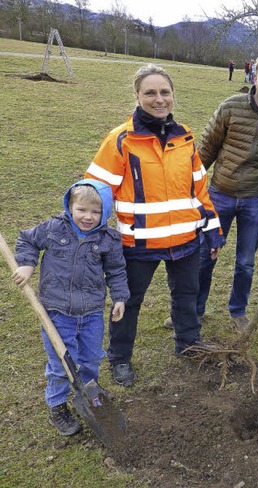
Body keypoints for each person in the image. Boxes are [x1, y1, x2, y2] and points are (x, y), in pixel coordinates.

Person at [85, 64, 225, 387]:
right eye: (150, 92)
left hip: (186, 241)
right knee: (129, 301)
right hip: (138, 245)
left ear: (173, 96)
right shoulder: (121, 140)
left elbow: (199, 190)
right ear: (137, 95)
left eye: (164, 92)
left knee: (187, 295)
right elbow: (95, 191)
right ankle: (119, 358)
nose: (158, 99)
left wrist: (213, 229)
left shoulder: (186, 138)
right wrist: (88, 233)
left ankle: (188, 343)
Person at [11, 180, 130, 436]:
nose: (88, 217)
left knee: (90, 357)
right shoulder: (54, 228)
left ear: (105, 213)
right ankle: (57, 406)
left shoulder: (108, 239)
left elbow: (117, 271)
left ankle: (90, 392)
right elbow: (27, 241)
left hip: (92, 313)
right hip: (57, 312)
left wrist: (120, 297)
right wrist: (27, 265)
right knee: (61, 364)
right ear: (70, 207)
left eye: (95, 212)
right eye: (82, 210)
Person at [191, 53, 258, 331]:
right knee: (205, 256)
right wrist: (190, 186)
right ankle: (194, 310)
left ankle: (237, 311)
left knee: (246, 262)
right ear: (254, 77)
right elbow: (206, 149)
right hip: (219, 195)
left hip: (256, 200)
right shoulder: (230, 107)